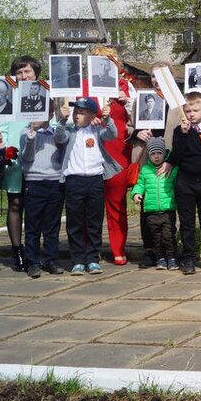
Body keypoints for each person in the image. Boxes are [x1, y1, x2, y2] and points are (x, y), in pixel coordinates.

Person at [58, 97, 119, 276]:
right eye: (75, 112)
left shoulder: (98, 131)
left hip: (95, 181)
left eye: (82, 113)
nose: (77, 116)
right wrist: (62, 120)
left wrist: (108, 120)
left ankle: (92, 258)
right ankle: (77, 260)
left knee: (94, 221)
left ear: (92, 115)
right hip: (74, 181)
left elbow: (112, 134)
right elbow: (59, 137)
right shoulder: (70, 131)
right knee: (74, 221)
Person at [166, 92, 201, 274]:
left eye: (195, 110)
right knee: (187, 224)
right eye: (188, 110)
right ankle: (188, 258)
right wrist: (183, 135)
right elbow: (176, 156)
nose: (191, 114)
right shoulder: (180, 131)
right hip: (186, 183)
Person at [19, 116, 67, 276]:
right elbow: (26, 158)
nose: (35, 118)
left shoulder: (55, 134)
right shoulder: (25, 132)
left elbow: (62, 154)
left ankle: (50, 259)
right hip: (34, 182)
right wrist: (31, 139)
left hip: (54, 182)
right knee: (33, 225)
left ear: (50, 114)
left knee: (52, 226)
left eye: (40, 114)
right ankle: (32, 261)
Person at [130, 137, 178, 271]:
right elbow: (140, 184)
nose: (156, 156)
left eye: (159, 153)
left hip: (167, 209)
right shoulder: (145, 170)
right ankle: (160, 258)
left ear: (164, 153)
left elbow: (177, 183)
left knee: (168, 236)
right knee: (156, 237)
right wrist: (136, 193)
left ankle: (172, 257)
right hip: (151, 211)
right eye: (153, 154)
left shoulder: (172, 169)